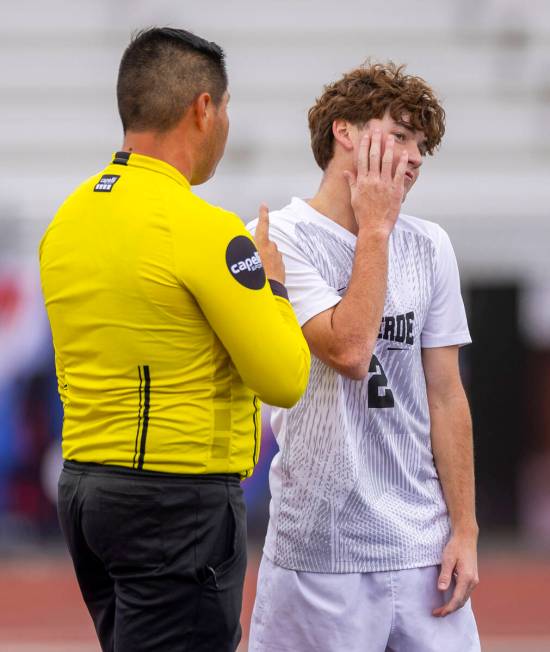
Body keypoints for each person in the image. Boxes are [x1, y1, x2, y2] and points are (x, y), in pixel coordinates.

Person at [38, 27, 310, 652]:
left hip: (85, 493)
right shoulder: (206, 231)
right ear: (203, 108)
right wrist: (271, 284)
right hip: (174, 500)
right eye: (227, 106)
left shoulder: (68, 219)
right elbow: (285, 378)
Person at [247, 62, 480, 652]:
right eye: (400, 136)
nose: (415, 157)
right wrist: (375, 228)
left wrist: (466, 531)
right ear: (344, 133)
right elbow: (350, 349)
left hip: (423, 552)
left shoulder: (430, 245)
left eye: (421, 145)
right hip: (321, 552)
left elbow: (447, 393)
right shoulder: (281, 239)